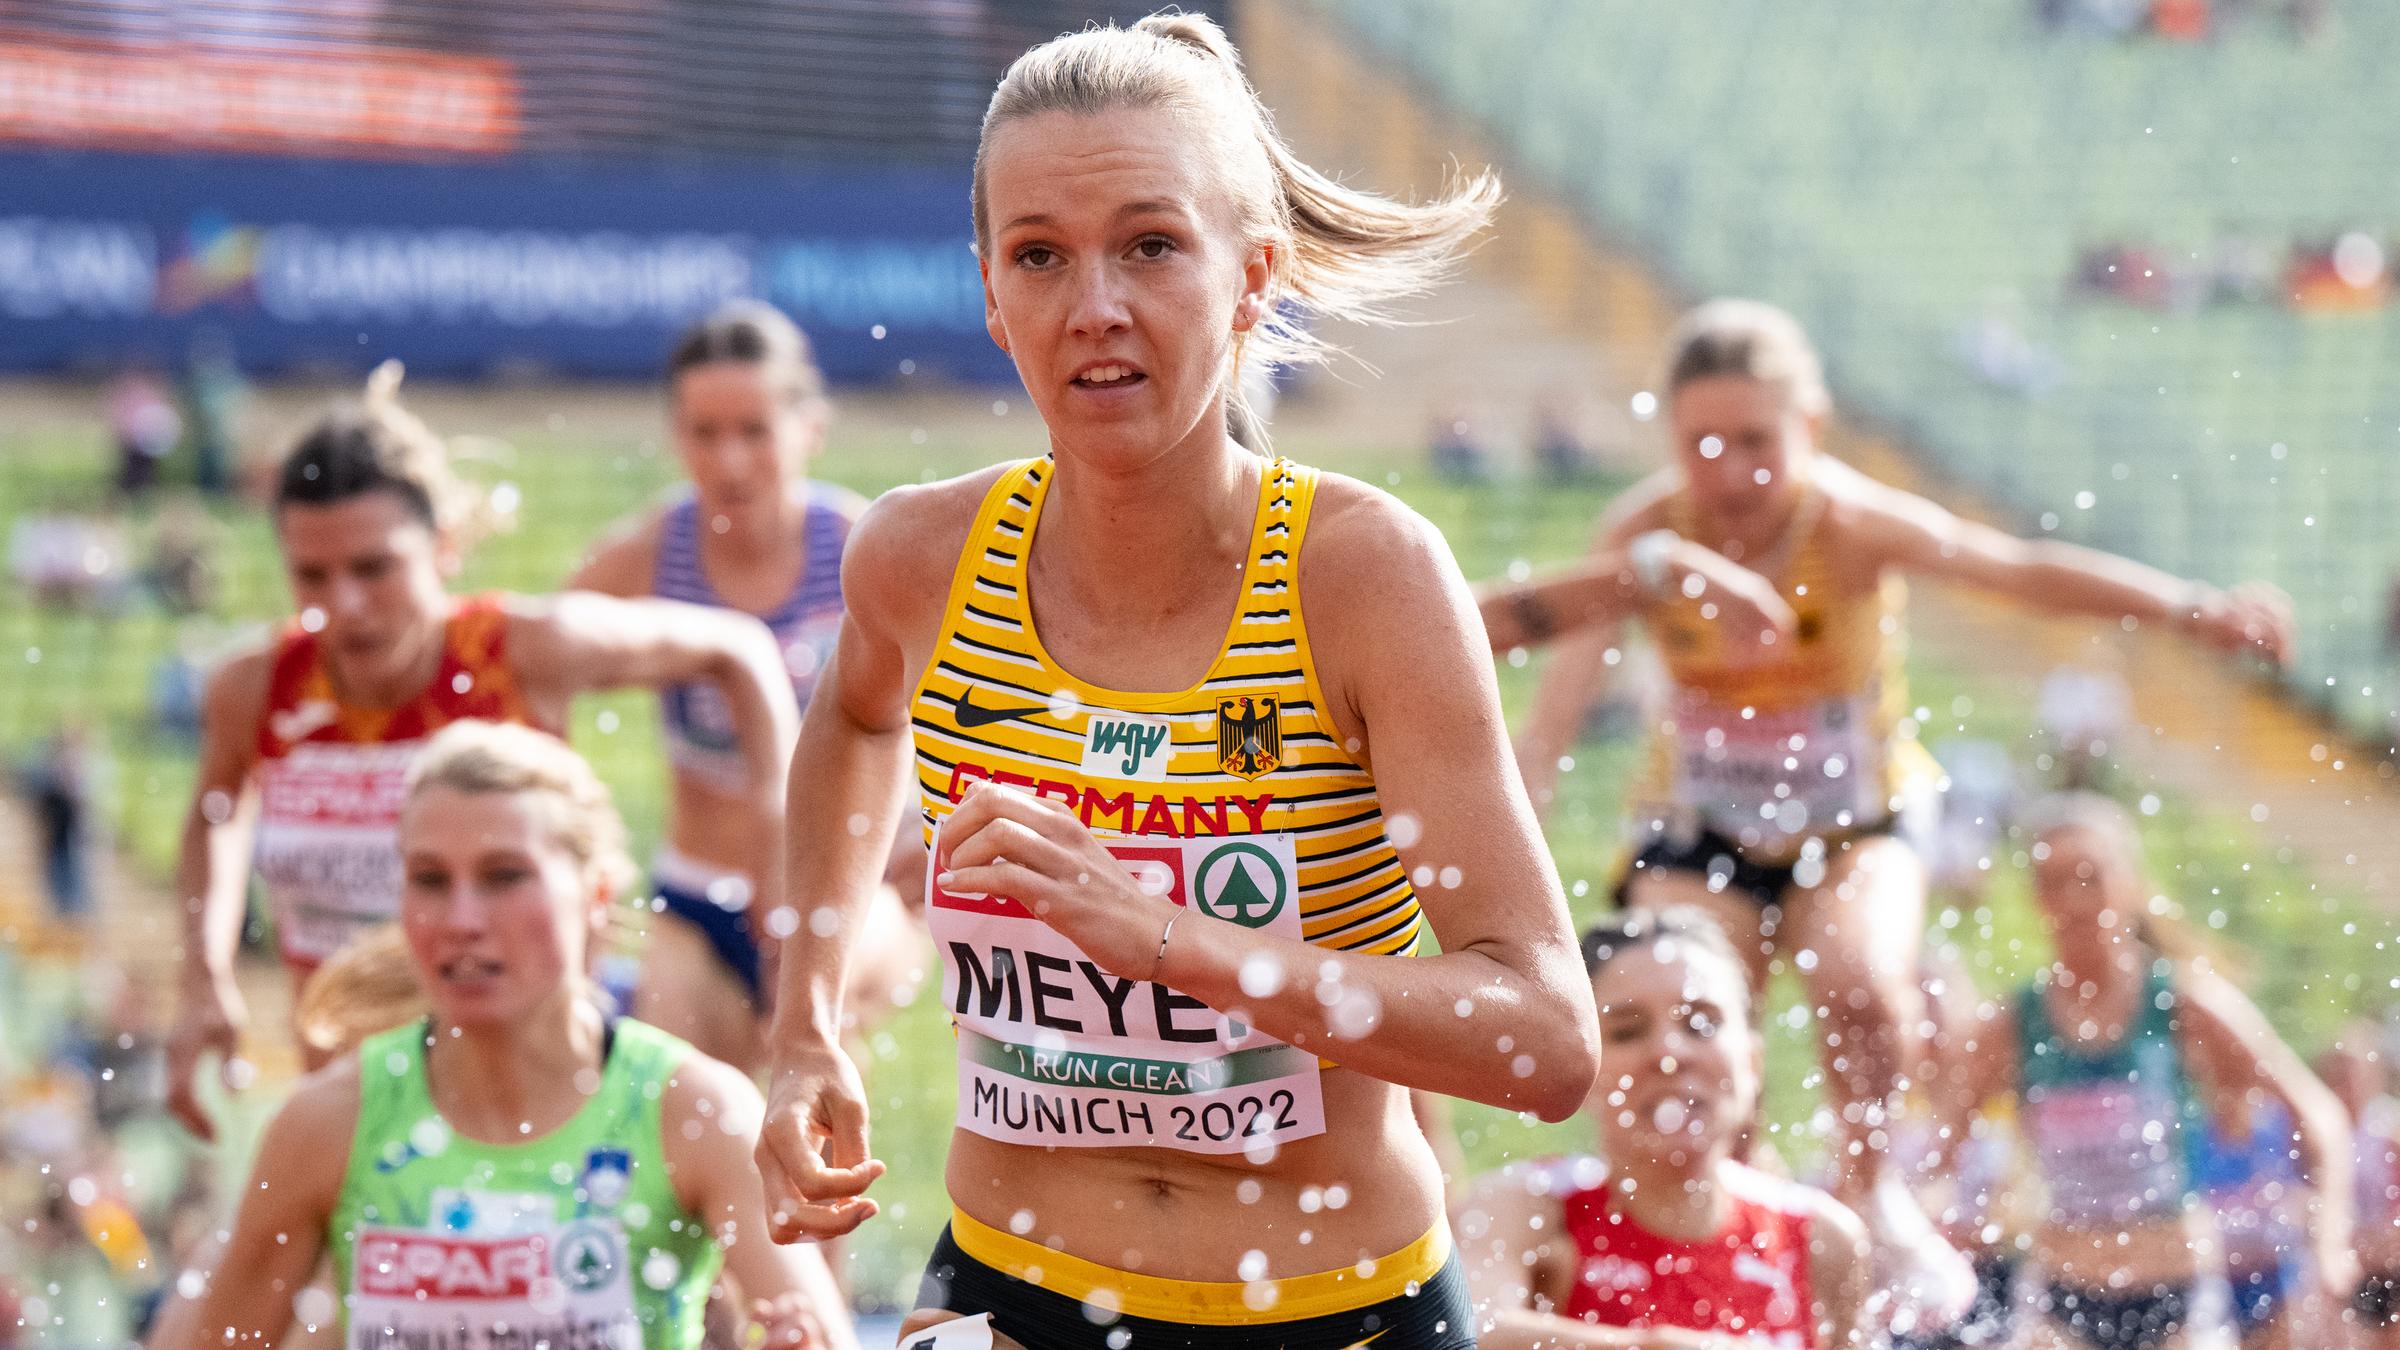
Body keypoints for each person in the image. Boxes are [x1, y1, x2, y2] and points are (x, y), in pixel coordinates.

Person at [753, 14, 1599, 1349]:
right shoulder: (918, 554)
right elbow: (852, 716)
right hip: (1011, 1288)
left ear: (1255, 274)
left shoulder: (1363, 575)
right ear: (989, 291)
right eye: (1041, 256)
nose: (1095, 306)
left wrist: (1171, 945)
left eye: (1152, 244)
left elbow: (1547, 1042)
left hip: (1336, 1309)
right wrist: (802, 1024)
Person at [1516, 298, 2297, 1315]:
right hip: (1701, 826)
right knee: (1690, 1010)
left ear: (1813, 426)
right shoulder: (1646, 533)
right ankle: (1706, 1228)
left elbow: (2017, 573)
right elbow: (1554, 714)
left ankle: (1871, 1189)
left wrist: (2186, 605)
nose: (1731, 473)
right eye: (1701, 444)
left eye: (1757, 441)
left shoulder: (1849, 524)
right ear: (1668, 440)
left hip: (1857, 821)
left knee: (1856, 978)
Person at [164, 362, 799, 1141]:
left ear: (446, 545)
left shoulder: (523, 651)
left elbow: (739, 649)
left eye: (374, 567)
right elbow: (216, 813)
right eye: (312, 575)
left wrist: (780, 853)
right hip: (359, 1112)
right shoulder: (256, 685)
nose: (346, 605)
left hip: (545, 1103)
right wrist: (205, 977)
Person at [182, 721, 852, 1349]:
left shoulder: (694, 1113)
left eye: (505, 876)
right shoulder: (328, 1123)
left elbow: (818, 1330)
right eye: (430, 880)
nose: (462, 919)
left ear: (595, 898)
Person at [572, 301, 920, 1072]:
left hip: (844, 885)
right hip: (699, 899)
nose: (730, 461)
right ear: (676, 437)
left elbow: (958, 702)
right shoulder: (649, 555)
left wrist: (919, 839)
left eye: (754, 432)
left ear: (809, 429)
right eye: (706, 433)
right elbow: (532, 667)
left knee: (813, 1038)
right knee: (681, 1100)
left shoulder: (858, 546)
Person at [1961, 794, 2354, 1350]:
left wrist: (2330, 1238)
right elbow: (1940, 1149)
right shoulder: (2011, 1023)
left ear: (2130, 886)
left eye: (2090, 878)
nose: (2073, 900)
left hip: (2177, 1296)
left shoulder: (2182, 1003)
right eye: (2052, 882)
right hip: (2060, 1297)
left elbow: (2320, 1115)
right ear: (2034, 898)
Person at [1457, 906, 1871, 1349]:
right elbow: (1467, 1335)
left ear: (1753, 1063)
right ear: (1581, 1070)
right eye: (1627, 1032)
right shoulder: (1527, 1207)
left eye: (1701, 1024)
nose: (1670, 1053)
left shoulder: (1821, 1239)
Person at [2320, 1023, 2400, 1350]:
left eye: (2355, 1073)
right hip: (2343, 1258)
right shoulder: (2319, 1129)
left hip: (2386, 1255)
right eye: (2340, 1073)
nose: (2348, 1083)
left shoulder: (2389, 1129)